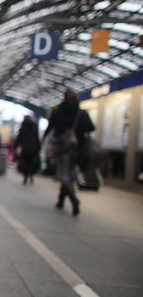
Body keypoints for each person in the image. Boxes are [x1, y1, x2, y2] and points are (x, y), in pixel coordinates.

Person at [43, 88, 95, 216]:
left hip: (62, 147)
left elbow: (50, 127)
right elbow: (91, 127)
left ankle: (74, 200)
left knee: (64, 175)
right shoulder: (81, 112)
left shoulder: (58, 110)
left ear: (64, 97)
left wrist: (44, 141)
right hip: (76, 148)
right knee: (70, 173)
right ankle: (61, 201)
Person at [14, 115, 41, 185]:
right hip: (33, 149)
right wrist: (38, 148)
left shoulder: (23, 127)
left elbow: (18, 139)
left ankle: (25, 177)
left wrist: (16, 147)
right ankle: (31, 176)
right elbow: (37, 138)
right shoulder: (35, 127)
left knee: (25, 163)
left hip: (25, 149)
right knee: (31, 163)